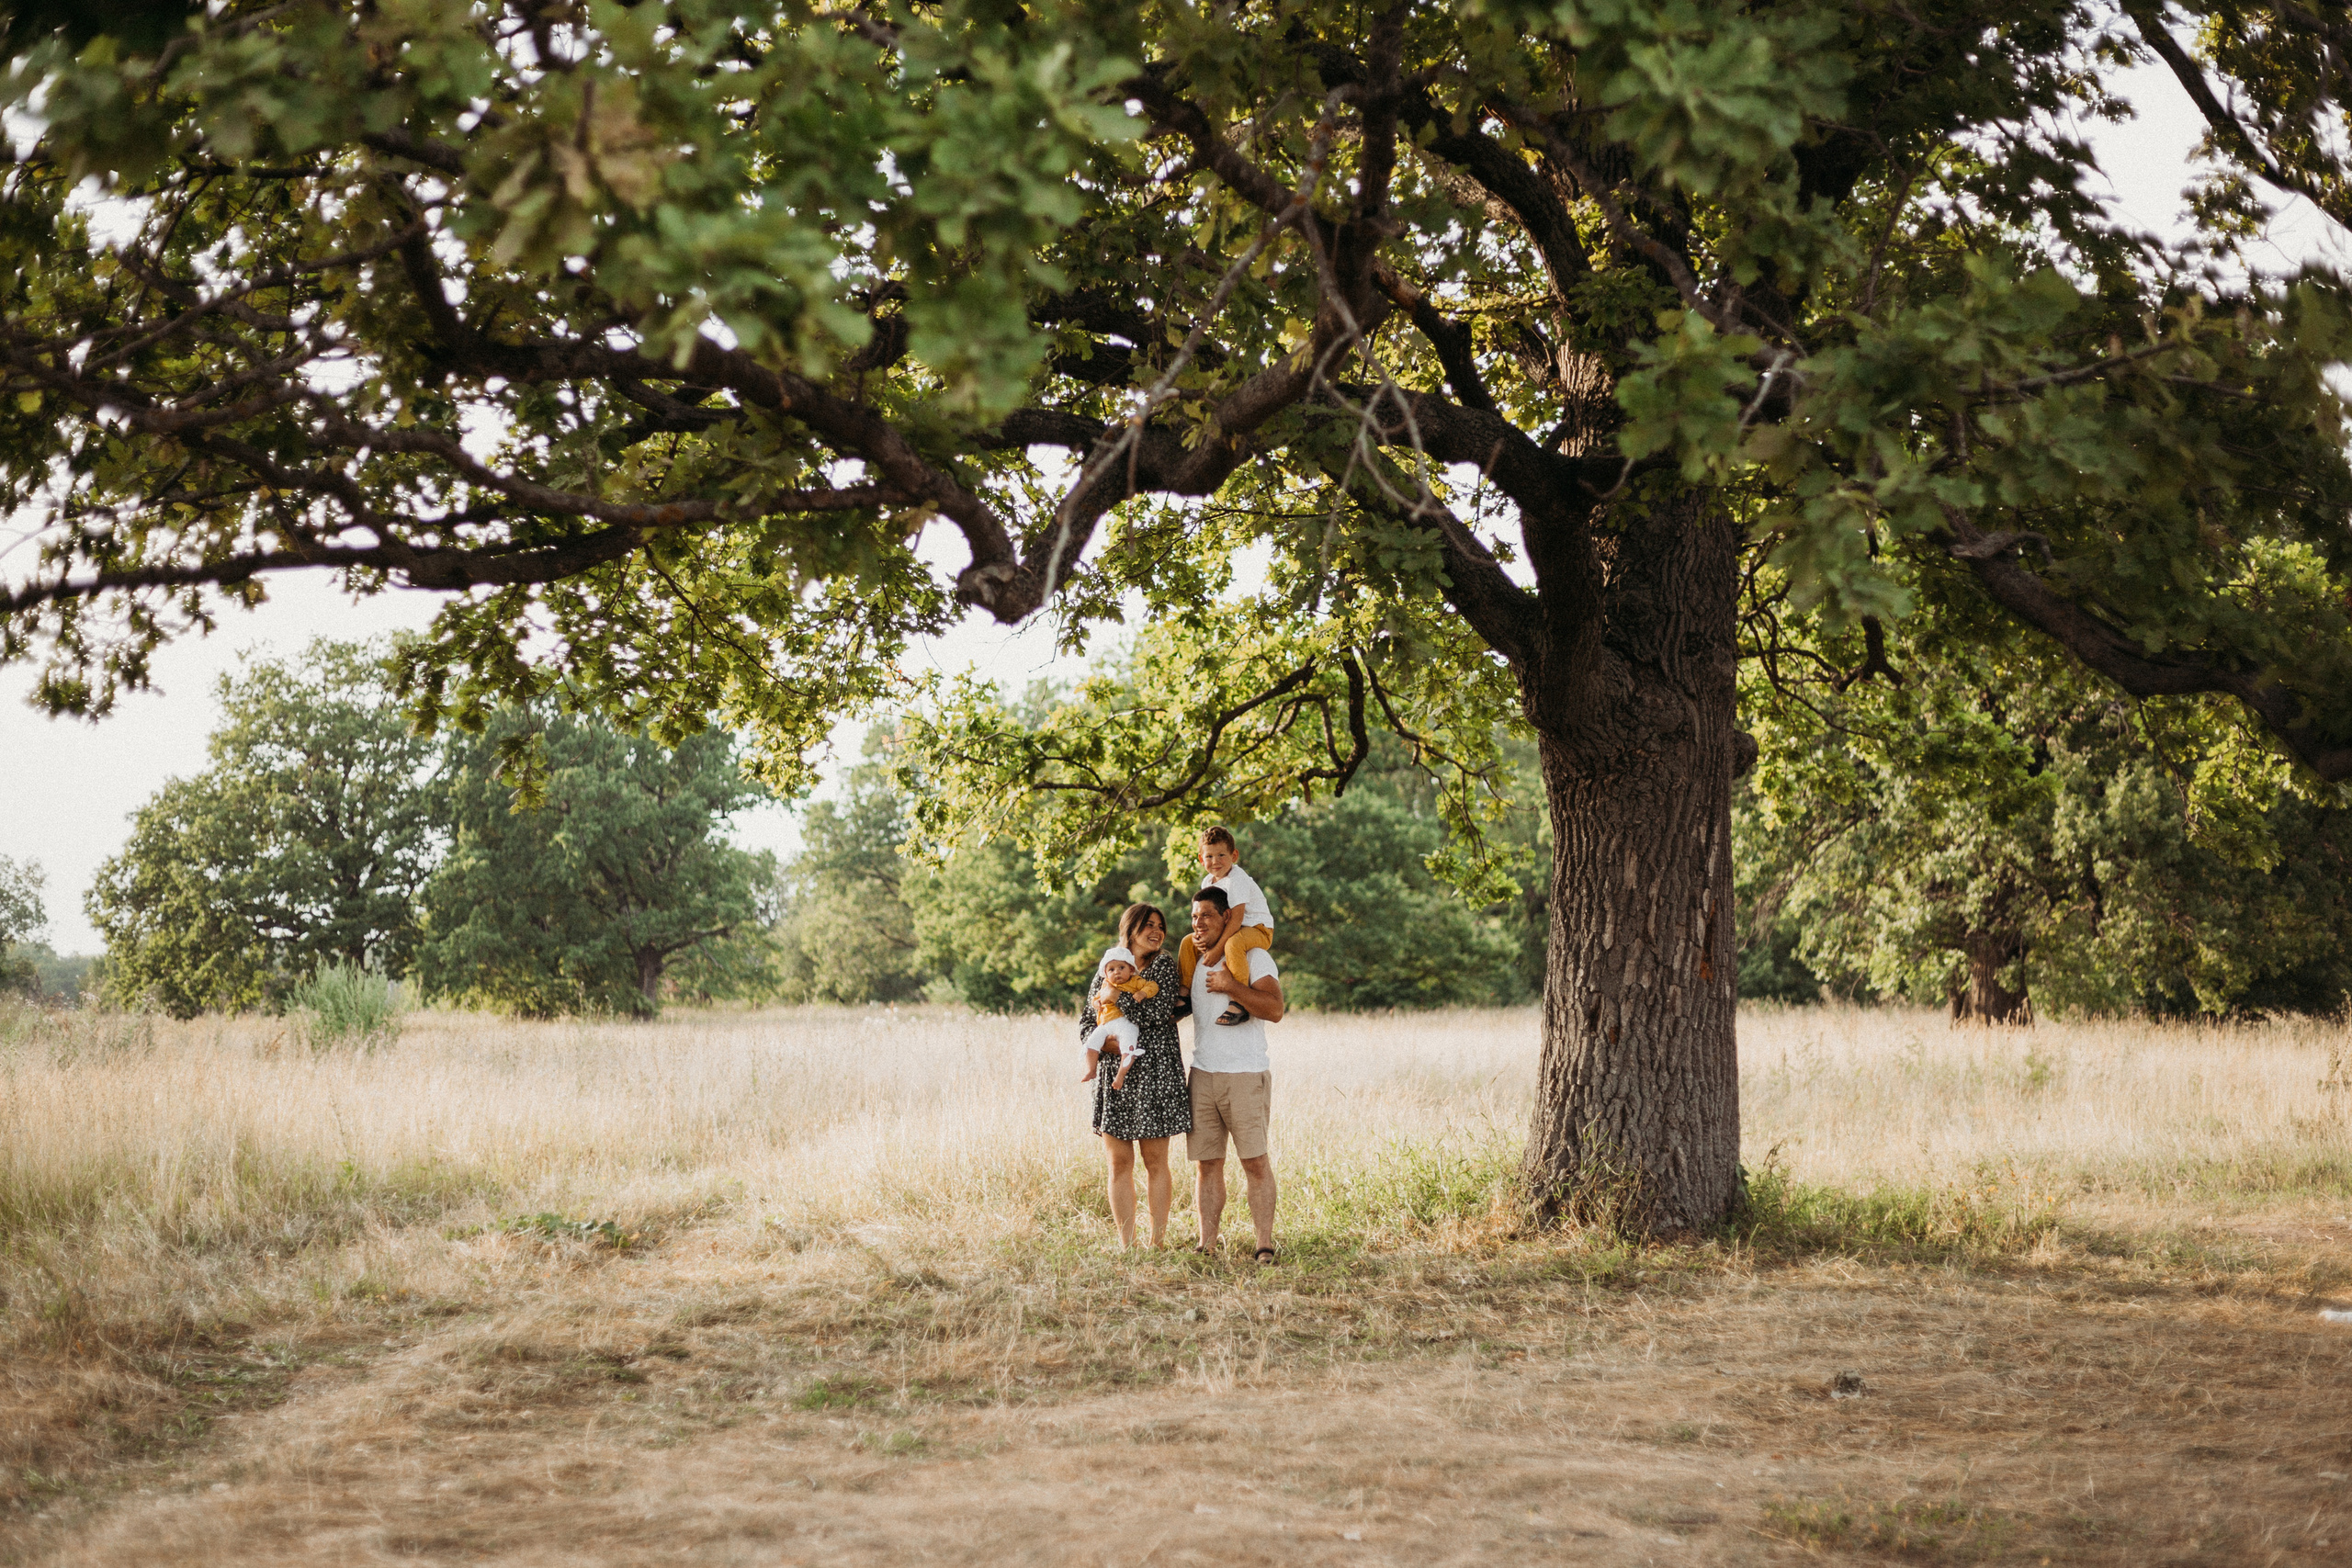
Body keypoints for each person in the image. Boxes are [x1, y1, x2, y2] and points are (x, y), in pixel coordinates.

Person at [1184, 886, 1284, 1262]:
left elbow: (1274, 1009)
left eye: (1207, 915)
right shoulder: (1195, 960)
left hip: (1245, 1074)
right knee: (1207, 1165)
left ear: (1228, 917)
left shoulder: (1253, 956)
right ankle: (1206, 1244)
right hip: (1203, 1075)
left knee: (1254, 1162)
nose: (1199, 923)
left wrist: (1232, 986)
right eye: (1194, 917)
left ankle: (1264, 1245)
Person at [1083, 904, 1193, 1248]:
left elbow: (1158, 1012)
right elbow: (1087, 1023)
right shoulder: (1108, 966)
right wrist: (1111, 1047)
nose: (1157, 931)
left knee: (1155, 1161)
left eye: (1161, 926)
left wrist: (1115, 998)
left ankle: (1156, 1242)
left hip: (1155, 1076)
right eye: (1149, 925)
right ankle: (1126, 1243)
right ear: (1130, 929)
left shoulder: (1162, 965)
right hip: (1115, 1076)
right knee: (1119, 1162)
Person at [1177, 825, 1273, 1026]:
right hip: (1234, 929)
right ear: (1201, 859)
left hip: (1258, 929)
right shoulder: (1208, 882)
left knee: (1233, 945)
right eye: (1209, 857)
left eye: (1221, 855)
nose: (1215, 861)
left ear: (1234, 855)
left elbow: (1236, 920)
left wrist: (1216, 949)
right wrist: (1202, 938)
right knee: (1188, 942)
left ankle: (1238, 1003)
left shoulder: (1237, 879)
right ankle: (1184, 996)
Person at [1079, 944, 1154, 1091]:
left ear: (1131, 970)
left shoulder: (1135, 981)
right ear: (1106, 974)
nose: (1117, 972)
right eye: (1111, 970)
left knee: (1128, 1048)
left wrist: (1143, 993)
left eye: (1121, 968)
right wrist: (1097, 1003)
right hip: (1107, 1023)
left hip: (1127, 1023)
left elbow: (1152, 986)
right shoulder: (1106, 984)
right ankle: (1091, 1069)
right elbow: (1095, 998)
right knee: (1092, 1042)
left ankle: (1120, 1075)